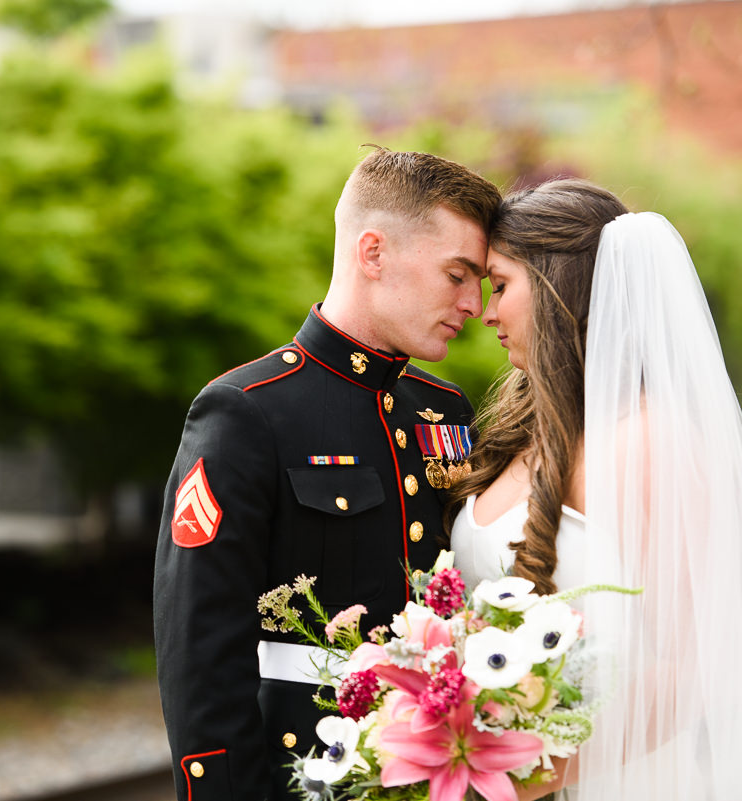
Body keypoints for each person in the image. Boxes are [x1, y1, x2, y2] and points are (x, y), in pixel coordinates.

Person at [447, 178, 742, 801]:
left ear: (554, 289)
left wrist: (513, 780)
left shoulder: (650, 442)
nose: (486, 312)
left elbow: (695, 670)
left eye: (500, 285)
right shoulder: (520, 430)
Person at [153, 147, 503, 801]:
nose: (474, 303)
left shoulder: (444, 408)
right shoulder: (247, 411)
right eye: (458, 274)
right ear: (373, 253)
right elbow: (198, 653)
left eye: (481, 280)